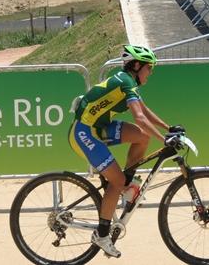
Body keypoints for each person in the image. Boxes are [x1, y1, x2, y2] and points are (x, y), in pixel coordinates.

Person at [68, 45, 184, 258]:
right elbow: (139, 118)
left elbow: (144, 111)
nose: (151, 73)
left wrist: (168, 129)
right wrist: (165, 140)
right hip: (84, 132)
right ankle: (102, 234)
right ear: (137, 66)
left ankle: (125, 182)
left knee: (142, 136)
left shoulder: (126, 81)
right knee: (117, 181)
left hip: (98, 127)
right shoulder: (125, 82)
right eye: (149, 68)